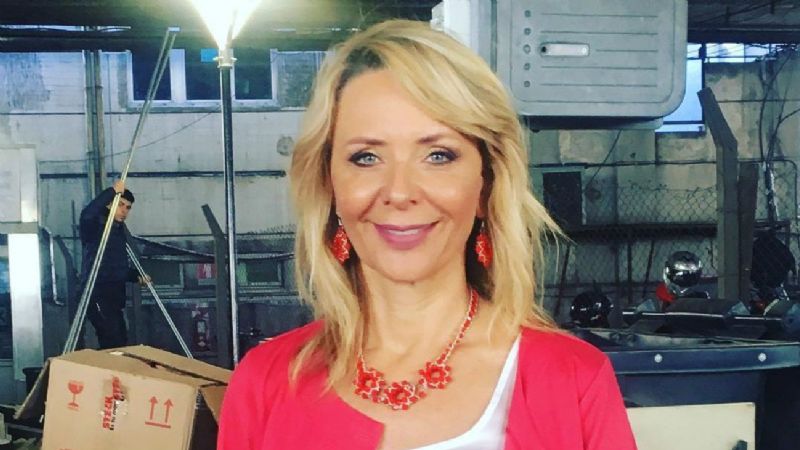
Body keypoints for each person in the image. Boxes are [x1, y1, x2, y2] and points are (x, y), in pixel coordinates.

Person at [218, 19, 637, 450]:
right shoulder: (264, 383)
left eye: (438, 155)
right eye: (366, 157)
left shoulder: (575, 380)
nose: (400, 192)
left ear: (485, 185)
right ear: (329, 185)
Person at [77, 179, 145, 349]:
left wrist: (135, 275)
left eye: (128, 207)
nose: (124, 211)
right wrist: (112, 191)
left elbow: (115, 266)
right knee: (111, 338)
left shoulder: (117, 231)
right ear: (109, 204)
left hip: (113, 296)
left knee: (119, 339)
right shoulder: (95, 227)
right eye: (120, 205)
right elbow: (87, 214)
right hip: (97, 292)